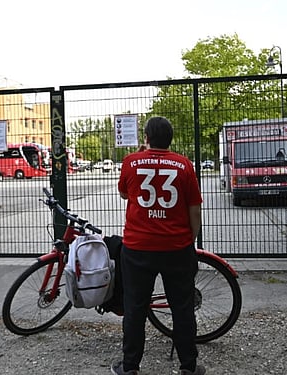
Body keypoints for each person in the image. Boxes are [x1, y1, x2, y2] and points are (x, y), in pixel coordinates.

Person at [113, 116, 205, 375]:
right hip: (177, 247)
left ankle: (130, 366)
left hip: (138, 247)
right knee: (182, 308)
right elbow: (194, 210)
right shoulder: (184, 165)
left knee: (135, 308)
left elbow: (124, 193)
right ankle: (188, 366)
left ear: (147, 138)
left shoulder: (131, 162)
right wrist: (190, 241)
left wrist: (143, 156)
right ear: (170, 138)